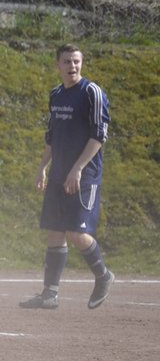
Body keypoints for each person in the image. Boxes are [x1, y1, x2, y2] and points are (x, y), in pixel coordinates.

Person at [19, 44, 114, 310]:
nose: (72, 66)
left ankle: (103, 275)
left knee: (76, 233)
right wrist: (42, 167)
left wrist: (78, 168)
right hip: (59, 173)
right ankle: (49, 294)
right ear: (57, 65)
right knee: (55, 231)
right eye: (66, 62)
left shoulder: (91, 93)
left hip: (84, 175)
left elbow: (99, 136)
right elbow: (52, 136)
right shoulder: (57, 94)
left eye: (76, 61)